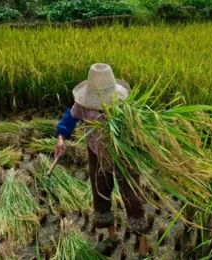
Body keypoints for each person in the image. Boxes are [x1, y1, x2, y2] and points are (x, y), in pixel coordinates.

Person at [55, 63, 149, 259]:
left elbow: (139, 129)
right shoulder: (82, 105)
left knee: (132, 196)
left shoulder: (123, 105)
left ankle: (142, 243)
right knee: (100, 192)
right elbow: (69, 118)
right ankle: (112, 236)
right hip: (97, 154)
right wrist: (61, 138)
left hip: (123, 154)